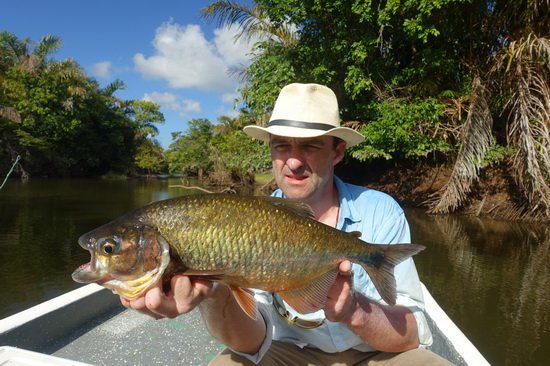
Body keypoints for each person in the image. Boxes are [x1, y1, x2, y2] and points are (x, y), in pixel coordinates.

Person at [121, 83, 451, 365]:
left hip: (373, 354)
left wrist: (354, 311)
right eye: (281, 145)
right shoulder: (244, 220)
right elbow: (252, 343)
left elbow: (412, 335)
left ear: (337, 152)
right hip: (284, 354)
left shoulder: (382, 211)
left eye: (310, 145)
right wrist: (215, 295)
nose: (293, 161)